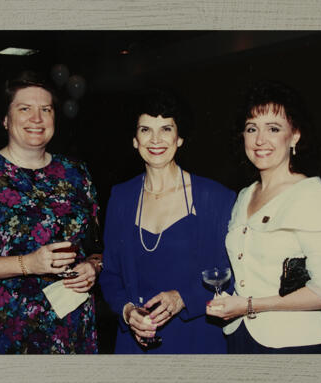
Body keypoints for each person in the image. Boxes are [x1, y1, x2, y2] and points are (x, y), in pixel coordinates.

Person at [0, 71, 102, 354]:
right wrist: (27, 264)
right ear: (5, 119)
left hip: (70, 325)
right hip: (3, 328)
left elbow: (98, 248)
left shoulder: (76, 174)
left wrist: (93, 267)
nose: (36, 118)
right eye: (24, 108)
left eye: (45, 110)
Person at [206, 81, 321, 353]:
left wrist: (250, 305)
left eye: (273, 129)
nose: (260, 140)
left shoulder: (312, 195)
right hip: (241, 339)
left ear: (295, 135)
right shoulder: (244, 196)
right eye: (252, 128)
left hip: (296, 344)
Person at [100, 89, 237, 353]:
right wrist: (128, 311)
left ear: (180, 137)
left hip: (197, 337)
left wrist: (183, 298)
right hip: (136, 342)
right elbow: (110, 273)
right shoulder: (121, 197)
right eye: (145, 129)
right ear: (134, 139)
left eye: (166, 128)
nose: (155, 140)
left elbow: (232, 272)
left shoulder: (214, 197)